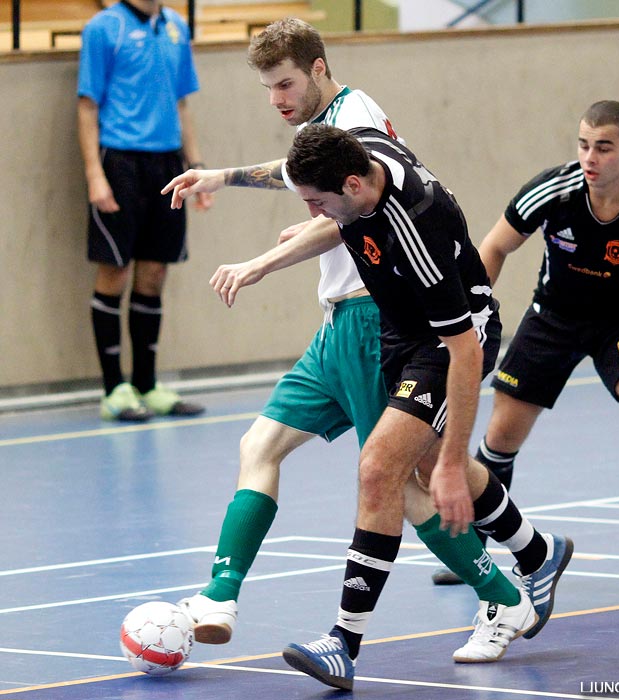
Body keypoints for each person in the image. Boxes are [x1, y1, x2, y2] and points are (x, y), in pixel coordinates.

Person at [161, 19, 570, 665]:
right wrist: (227, 176)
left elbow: (463, 347)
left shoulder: (408, 219)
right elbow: (305, 178)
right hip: (373, 321)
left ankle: (487, 598)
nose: (276, 98)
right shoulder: (345, 144)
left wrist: (263, 261)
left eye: (286, 83)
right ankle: (532, 557)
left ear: (319, 68)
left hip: (412, 327)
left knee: (401, 474)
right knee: (301, 451)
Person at [231, 124, 574, 690]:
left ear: (352, 185)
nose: (313, 214)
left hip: (449, 340)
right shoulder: (360, 148)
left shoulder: (417, 227)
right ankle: (538, 552)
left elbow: (464, 353)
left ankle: (344, 642)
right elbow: (333, 223)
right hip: (399, 330)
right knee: (414, 465)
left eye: (318, 204)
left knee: (381, 468)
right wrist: (265, 261)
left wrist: (450, 460)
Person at [452, 100, 619, 595]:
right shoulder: (553, 190)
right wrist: (474, 323)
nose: (589, 157)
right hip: (552, 317)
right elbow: (493, 247)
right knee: (502, 433)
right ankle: (474, 547)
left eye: (603, 147)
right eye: (583, 145)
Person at [77, 0, 212, 422]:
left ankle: (146, 385)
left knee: (154, 273)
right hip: (119, 161)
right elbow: (87, 106)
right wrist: (95, 175)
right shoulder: (103, 28)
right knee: (114, 270)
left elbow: (181, 104)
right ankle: (113, 388)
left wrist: (197, 169)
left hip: (167, 163)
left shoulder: (175, 26)